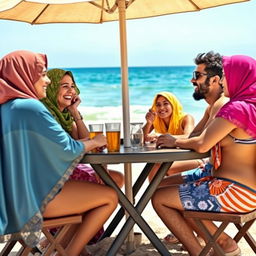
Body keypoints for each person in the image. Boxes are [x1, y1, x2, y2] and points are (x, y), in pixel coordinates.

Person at [0, 50, 118, 256]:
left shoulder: (7, 107)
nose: (46, 80)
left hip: (8, 198)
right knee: (110, 196)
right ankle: (70, 253)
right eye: (42, 74)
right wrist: (96, 141)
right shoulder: (30, 107)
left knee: (92, 191)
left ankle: (64, 248)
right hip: (29, 201)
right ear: (24, 73)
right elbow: (67, 148)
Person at [152, 54, 256, 256]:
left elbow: (202, 144)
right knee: (166, 187)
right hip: (248, 190)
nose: (223, 81)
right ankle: (217, 242)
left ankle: (202, 250)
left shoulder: (236, 108)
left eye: (226, 75)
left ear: (239, 76)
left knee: (159, 198)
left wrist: (174, 141)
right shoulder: (250, 107)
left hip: (235, 191)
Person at [42, 68, 124, 189]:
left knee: (117, 178)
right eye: (65, 86)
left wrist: (75, 113)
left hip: (68, 169)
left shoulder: (65, 117)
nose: (71, 91)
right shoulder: (45, 116)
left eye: (73, 86)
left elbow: (85, 140)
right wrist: (94, 142)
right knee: (110, 184)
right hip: (52, 175)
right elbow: (61, 148)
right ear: (52, 88)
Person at [143, 91, 195, 181]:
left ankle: (152, 194)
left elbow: (189, 136)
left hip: (191, 158)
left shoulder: (186, 118)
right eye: (158, 105)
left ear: (173, 105)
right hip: (170, 159)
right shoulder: (156, 120)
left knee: (157, 165)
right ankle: (153, 194)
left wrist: (162, 136)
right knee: (154, 164)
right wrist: (149, 123)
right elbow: (140, 138)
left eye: (165, 104)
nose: (161, 108)